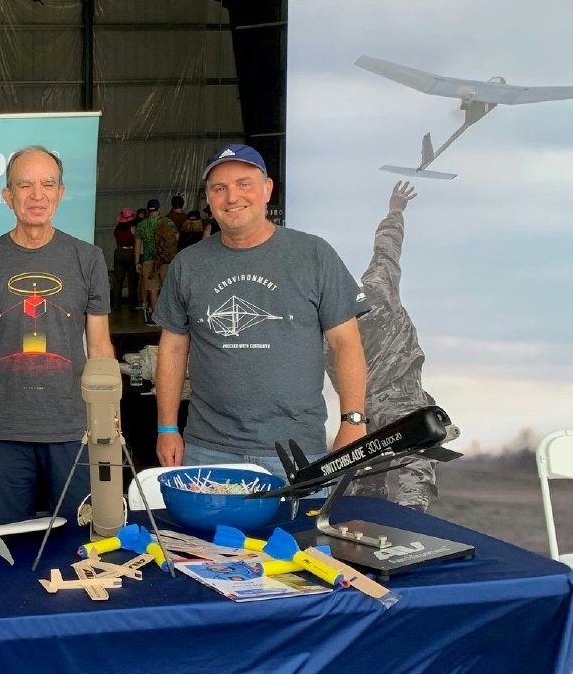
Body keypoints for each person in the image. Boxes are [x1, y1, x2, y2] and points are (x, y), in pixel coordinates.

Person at [152, 143, 369, 475]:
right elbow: (173, 348)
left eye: (244, 184)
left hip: (297, 450)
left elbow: (346, 343)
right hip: (208, 448)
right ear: (209, 199)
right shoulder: (188, 264)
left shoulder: (313, 254)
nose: (231, 197)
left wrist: (353, 421)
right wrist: (167, 428)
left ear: (267, 189)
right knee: (207, 531)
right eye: (219, 188)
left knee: (300, 529)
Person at [0, 146, 114, 524]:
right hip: (2, 431)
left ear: (60, 192)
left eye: (48, 183)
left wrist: (107, 419)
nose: (37, 194)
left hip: (73, 428)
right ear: (8, 196)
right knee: (8, 545)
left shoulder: (87, 259)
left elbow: (101, 344)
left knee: (80, 538)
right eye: (25, 185)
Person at [335, 181, 437, 509]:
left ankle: (366, 523)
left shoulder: (329, 324)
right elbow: (387, 248)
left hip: (361, 411)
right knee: (416, 463)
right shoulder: (378, 289)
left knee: (368, 475)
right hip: (401, 398)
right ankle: (414, 521)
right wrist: (396, 210)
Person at [132, 198, 165, 318]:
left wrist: (137, 262)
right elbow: (176, 238)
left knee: (152, 290)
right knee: (168, 288)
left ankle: (157, 318)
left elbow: (137, 245)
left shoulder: (141, 225)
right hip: (165, 260)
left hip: (148, 260)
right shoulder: (167, 222)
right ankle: (170, 317)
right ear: (159, 209)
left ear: (147, 210)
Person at [110, 207, 138, 309]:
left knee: (118, 280)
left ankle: (116, 303)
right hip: (130, 252)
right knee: (131, 279)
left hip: (118, 251)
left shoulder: (117, 229)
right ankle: (132, 303)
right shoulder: (133, 229)